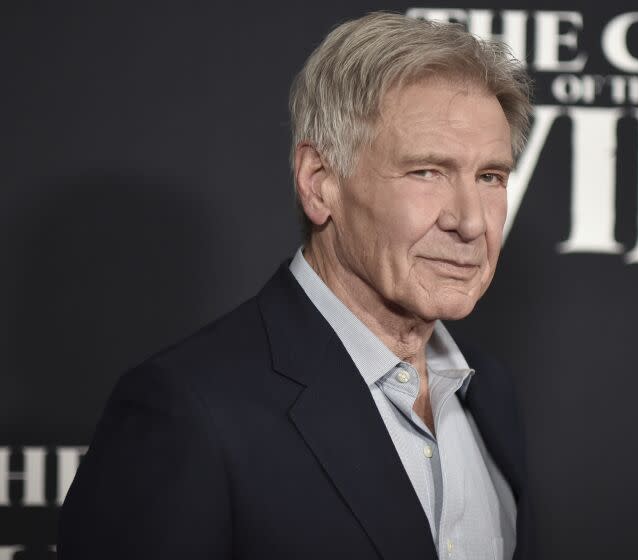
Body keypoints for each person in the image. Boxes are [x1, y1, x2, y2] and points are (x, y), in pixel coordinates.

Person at [58, 11, 533, 560]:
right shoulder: (188, 411)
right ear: (320, 183)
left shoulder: (490, 391)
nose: (471, 222)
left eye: (490, 177)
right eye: (426, 171)